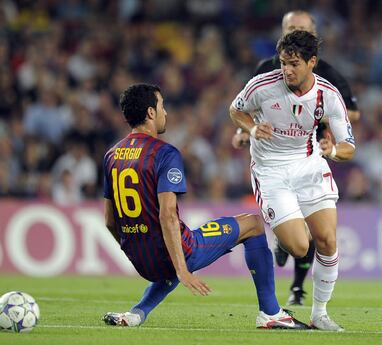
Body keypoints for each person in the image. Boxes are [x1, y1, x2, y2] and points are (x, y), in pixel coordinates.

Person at [102, 83, 309, 329]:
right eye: (162, 106)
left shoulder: (112, 155)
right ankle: (271, 313)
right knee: (253, 224)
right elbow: (167, 215)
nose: (165, 112)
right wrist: (182, 270)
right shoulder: (165, 153)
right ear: (150, 113)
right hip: (176, 251)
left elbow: (109, 221)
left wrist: (134, 250)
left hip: (140, 258)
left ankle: (137, 313)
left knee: (171, 253)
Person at [230, 30, 356, 331]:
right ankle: (287, 238)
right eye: (284, 62)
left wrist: (333, 150)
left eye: (294, 63)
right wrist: (251, 128)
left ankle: (320, 314)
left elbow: (348, 146)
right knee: (300, 247)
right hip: (271, 170)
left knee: (327, 240)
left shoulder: (328, 95)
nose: (287, 69)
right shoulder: (262, 85)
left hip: (309, 165)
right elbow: (235, 110)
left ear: (312, 62)